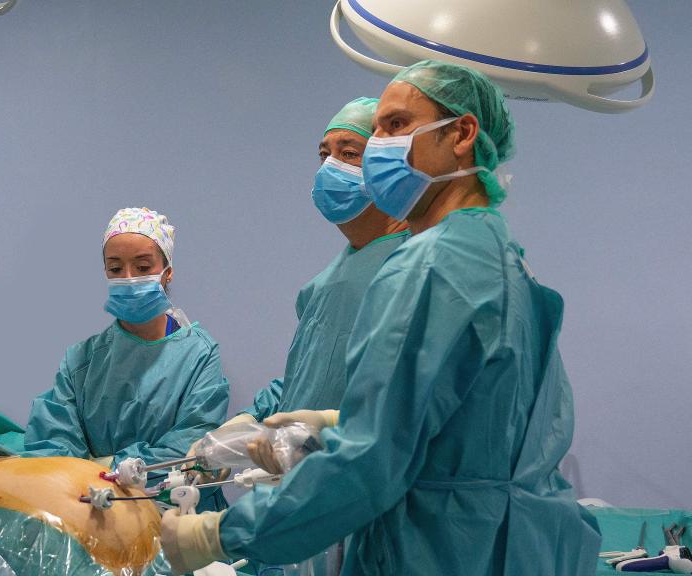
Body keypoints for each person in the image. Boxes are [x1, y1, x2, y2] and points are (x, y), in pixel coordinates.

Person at [160, 60, 601, 575]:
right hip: (513, 546)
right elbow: (485, 426)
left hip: (436, 551)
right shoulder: (504, 258)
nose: (379, 149)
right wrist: (336, 424)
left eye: (395, 126)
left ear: (462, 133)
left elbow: (371, 465)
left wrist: (218, 535)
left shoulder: (431, 264)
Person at [191, 98, 408, 482]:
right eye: (324, 155)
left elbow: (407, 397)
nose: (329, 168)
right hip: (307, 487)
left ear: (388, 166)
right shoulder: (322, 287)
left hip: (365, 483)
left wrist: (328, 431)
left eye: (349, 153)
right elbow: (307, 380)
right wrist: (250, 419)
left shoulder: (413, 267)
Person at [25, 207, 230, 509]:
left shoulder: (199, 355)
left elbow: (190, 447)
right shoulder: (82, 360)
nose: (129, 278)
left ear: (167, 272)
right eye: (116, 269)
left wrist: (109, 470)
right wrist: (102, 482)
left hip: (177, 519)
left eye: (143, 266)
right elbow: (53, 447)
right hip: (96, 513)